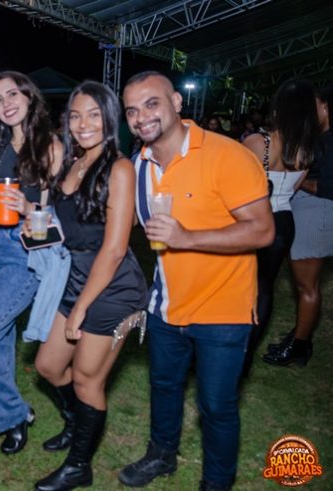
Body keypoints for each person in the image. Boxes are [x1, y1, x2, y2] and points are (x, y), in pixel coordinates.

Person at [117, 71, 274, 491]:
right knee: (163, 386)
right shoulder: (139, 166)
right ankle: (161, 455)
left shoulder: (227, 155)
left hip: (223, 308)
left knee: (216, 406)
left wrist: (188, 238)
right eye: (132, 110)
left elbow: (262, 230)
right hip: (166, 304)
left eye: (151, 104)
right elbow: (120, 224)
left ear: (176, 102)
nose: (141, 117)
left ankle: (216, 483)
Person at [33, 81, 147, 489]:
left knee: (87, 378)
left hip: (113, 289)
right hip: (74, 278)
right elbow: (66, 230)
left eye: (94, 115)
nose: (83, 124)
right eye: (76, 115)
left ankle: (79, 465)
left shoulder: (119, 169)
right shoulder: (72, 163)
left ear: (110, 119)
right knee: (48, 366)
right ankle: (76, 422)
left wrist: (81, 308)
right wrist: (33, 225)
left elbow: (114, 249)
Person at [0, 71, 62, 454]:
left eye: (13, 94)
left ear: (29, 97)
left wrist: (27, 207)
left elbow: (58, 217)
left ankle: (15, 413)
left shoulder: (50, 146)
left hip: (24, 249)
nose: (6, 103)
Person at [241, 80, 316, 374]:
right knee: (264, 289)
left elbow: (235, 185)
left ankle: (228, 349)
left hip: (253, 220)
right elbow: (293, 189)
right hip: (283, 222)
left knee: (238, 284)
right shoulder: (306, 150)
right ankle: (246, 353)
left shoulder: (258, 142)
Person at [264, 84, 333, 366]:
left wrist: (291, 178)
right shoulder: (318, 138)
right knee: (303, 284)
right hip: (308, 212)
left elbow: (327, 187)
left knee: (307, 286)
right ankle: (299, 338)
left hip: (318, 213)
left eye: (314, 104)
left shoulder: (329, 142)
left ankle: (300, 346)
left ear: (326, 107)